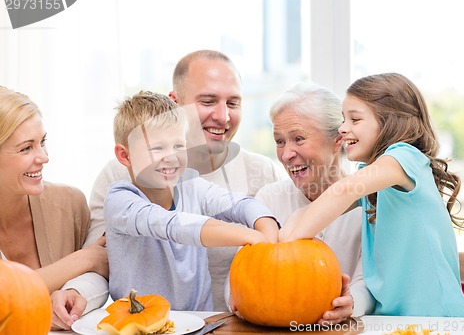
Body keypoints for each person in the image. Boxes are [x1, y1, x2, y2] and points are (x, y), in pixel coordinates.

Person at [88, 50, 286, 310]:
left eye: (178, 146)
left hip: (205, 324)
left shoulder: (193, 184)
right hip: (141, 326)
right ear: (125, 156)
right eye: (156, 149)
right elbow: (176, 225)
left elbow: (237, 204)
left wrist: (266, 227)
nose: (223, 116)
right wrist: (251, 236)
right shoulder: (120, 195)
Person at [279, 73, 464, 317]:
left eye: (355, 119)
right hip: (396, 321)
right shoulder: (371, 178)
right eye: (343, 119)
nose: (342, 128)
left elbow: (344, 190)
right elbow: (324, 203)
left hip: (438, 319)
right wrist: (280, 237)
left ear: (390, 121)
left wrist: (290, 241)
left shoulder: (404, 158)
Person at [254, 82, 374, 324]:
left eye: (298, 139)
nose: (287, 154)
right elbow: (244, 275)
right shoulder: (268, 199)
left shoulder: (368, 201)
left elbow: (369, 283)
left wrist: (353, 302)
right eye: (279, 141)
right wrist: (235, 299)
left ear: (337, 140)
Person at [0, 86, 109, 330]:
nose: (44, 157)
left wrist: (76, 292)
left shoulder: (69, 205)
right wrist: (84, 258)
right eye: (26, 147)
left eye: (43, 142)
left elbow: (101, 276)